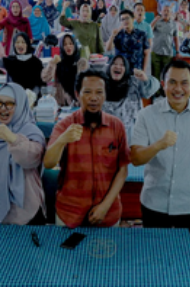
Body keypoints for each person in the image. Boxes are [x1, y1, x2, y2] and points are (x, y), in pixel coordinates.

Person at [131, 60, 190, 242]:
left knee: (186, 254)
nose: (178, 89)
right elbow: (135, 158)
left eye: (184, 83)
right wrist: (158, 145)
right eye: (172, 82)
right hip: (154, 203)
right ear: (163, 84)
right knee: (154, 253)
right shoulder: (146, 115)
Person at [44, 69, 130, 227]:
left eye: (99, 92)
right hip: (69, 214)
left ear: (105, 95)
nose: (94, 98)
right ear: (78, 94)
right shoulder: (64, 125)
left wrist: (105, 206)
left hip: (107, 213)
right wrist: (63, 140)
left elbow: (122, 170)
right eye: (88, 92)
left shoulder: (116, 126)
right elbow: (48, 163)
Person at [0, 83, 47, 225]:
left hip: (25, 213)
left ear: (21, 105)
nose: (3, 108)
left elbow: (32, 158)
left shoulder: (31, 132)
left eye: (10, 104)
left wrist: (13, 139)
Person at [102, 55, 160, 138]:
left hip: (130, 135)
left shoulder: (133, 83)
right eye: (114, 64)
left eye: (122, 65)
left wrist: (145, 79)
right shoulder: (101, 84)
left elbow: (153, 88)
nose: (118, 66)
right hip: (107, 134)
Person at [0, 31, 46, 96]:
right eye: (17, 42)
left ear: (27, 44)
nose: (20, 45)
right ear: (14, 45)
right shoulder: (10, 61)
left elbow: (39, 84)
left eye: (23, 42)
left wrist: (31, 96)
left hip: (31, 99)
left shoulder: (36, 62)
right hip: (13, 98)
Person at [41, 34, 90, 106]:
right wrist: (52, 64)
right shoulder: (58, 63)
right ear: (62, 47)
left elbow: (86, 85)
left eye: (70, 43)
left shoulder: (82, 63)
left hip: (80, 104)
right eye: (65, 44)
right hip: (62, 104)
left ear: (75, 44)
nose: (68, 46)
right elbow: (45, 78)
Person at [150, 5, 180, 81]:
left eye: (168, 11)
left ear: (171, 13)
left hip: (168, 53)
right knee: (155, 75)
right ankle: (157, 89)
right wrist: (154, 20)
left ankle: (164, 89)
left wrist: (177, 51)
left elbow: (176, 39)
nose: (166, 12)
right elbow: (149, 31)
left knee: (166, 75)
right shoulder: (157, 21)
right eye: (164, 11)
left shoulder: (174, 24)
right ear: (161, 12)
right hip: (156, 52)